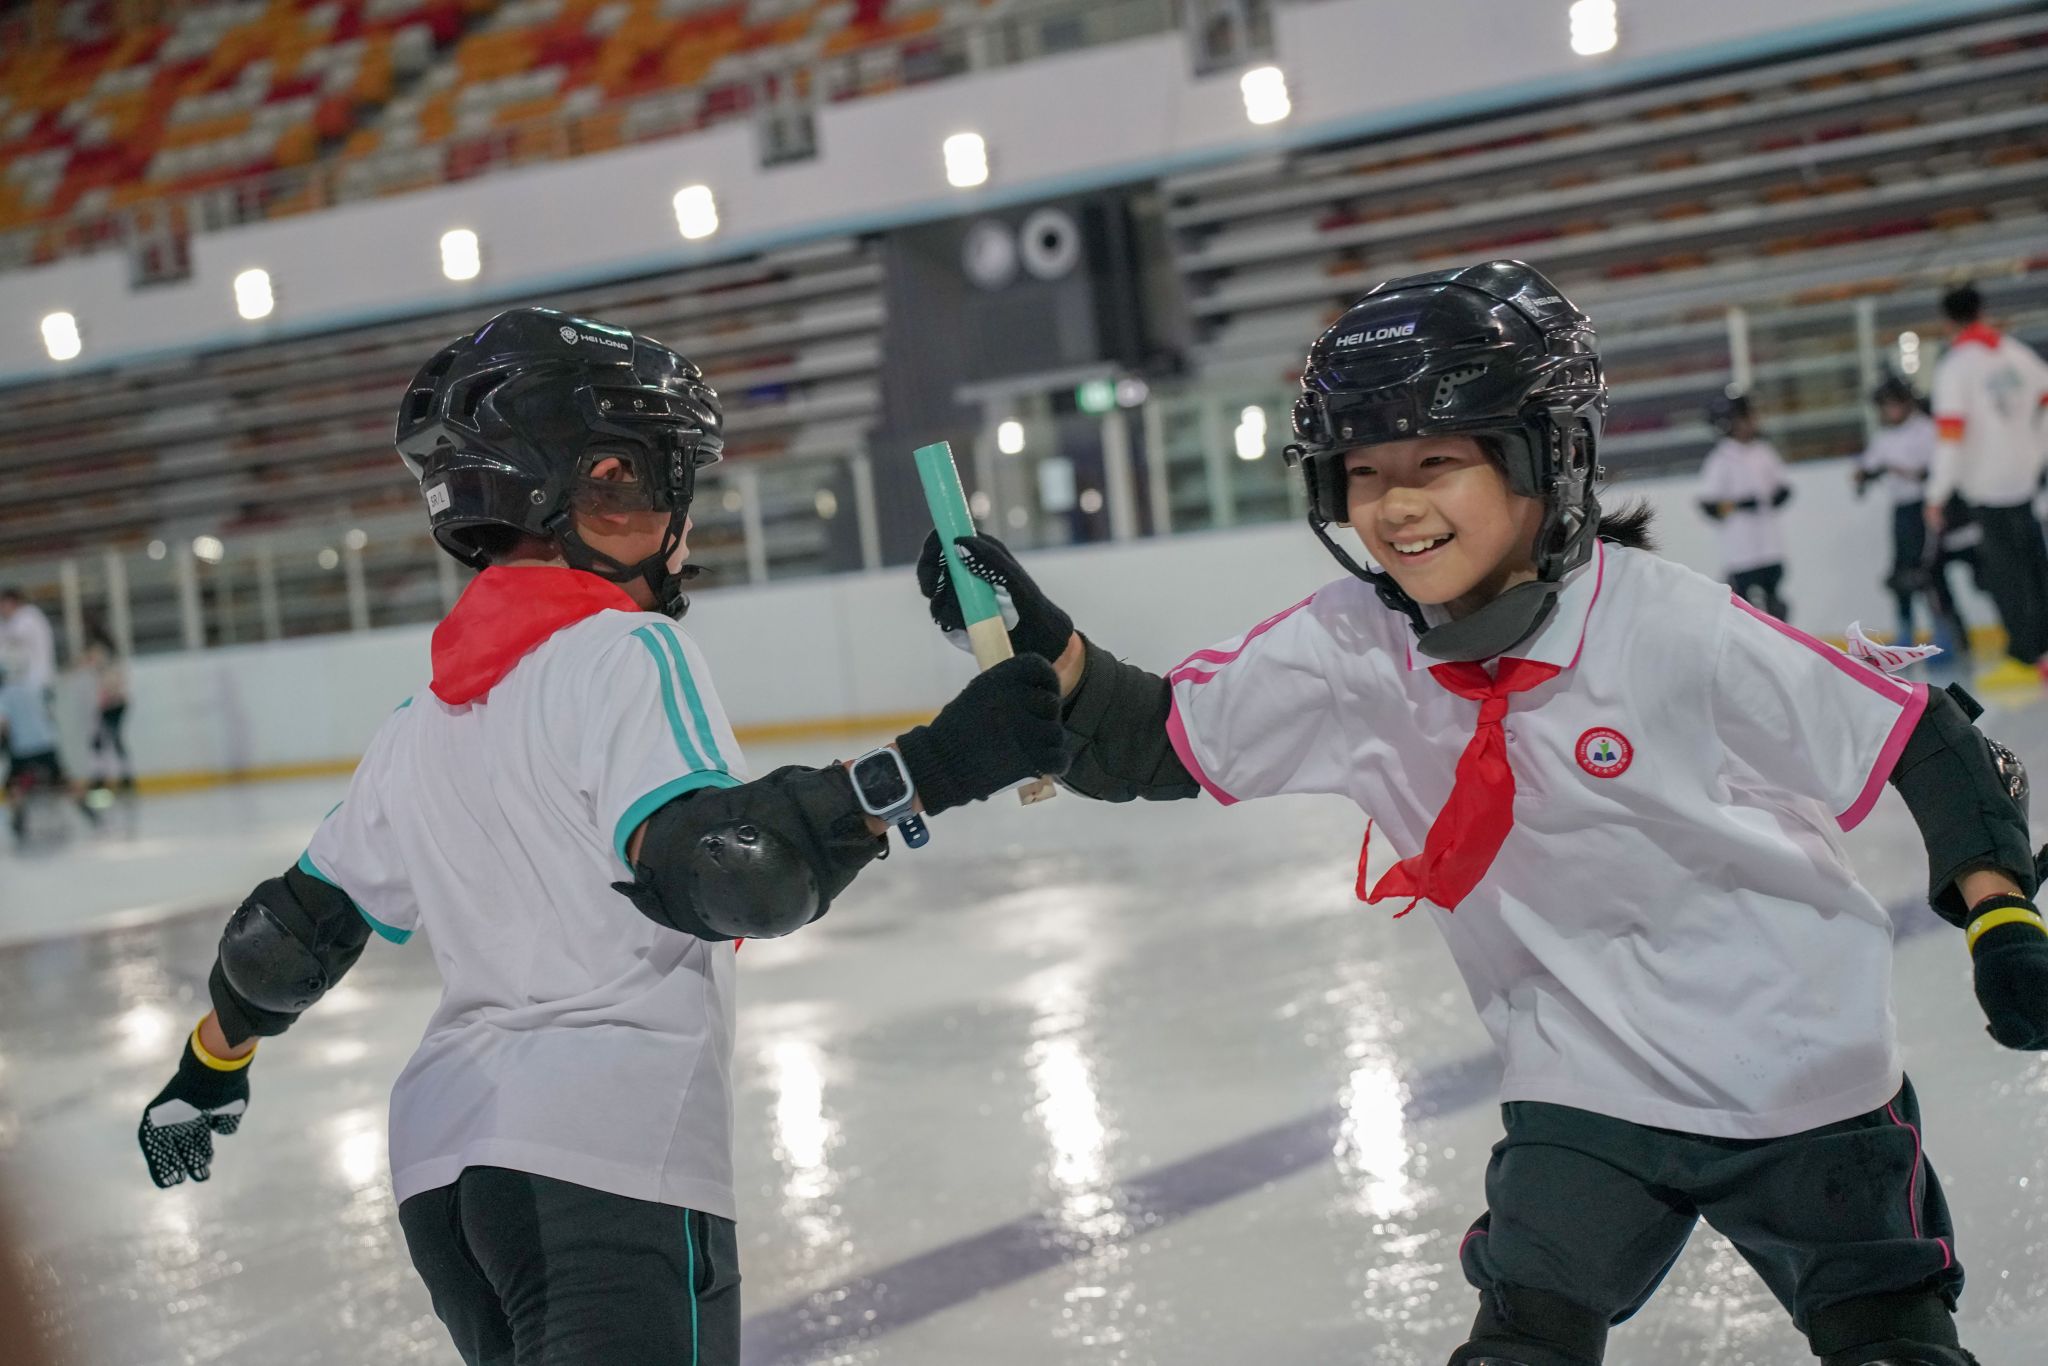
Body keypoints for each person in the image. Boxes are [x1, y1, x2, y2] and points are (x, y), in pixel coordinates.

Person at [914, 261, 2048, 1366]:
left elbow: (1923, 741)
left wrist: (2002, 921)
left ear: (1549, 459)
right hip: (1584, 1084)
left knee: (1888, 1343)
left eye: (1437, 461)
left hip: (1802, 1072)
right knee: (1522, 1340)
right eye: (1362, 471)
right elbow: (1156, 738)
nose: (1395, 505)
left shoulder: (1672, 628)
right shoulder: (1349, 647)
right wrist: (1039, 644)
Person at [134, 308, 1068, 1366]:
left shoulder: (421, 723)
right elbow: (735, 872)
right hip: (606, 1157)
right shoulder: (625, 654)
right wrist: (938, 764)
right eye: (668, 482)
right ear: (597, 484)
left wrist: (208, 1068)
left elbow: (288, 938)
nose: (683, 528)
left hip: (446, 1178)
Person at [1926, 283, 2048, 689]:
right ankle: (2043, 650)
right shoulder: (2016, 353)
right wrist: (2037, 452)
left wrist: (1937, 493)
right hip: (2024, 479)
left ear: (1948, 321)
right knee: (2036, 567)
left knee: (2005, 574)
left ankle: (2023, 655)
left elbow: (1950, 435)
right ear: (1981, 310)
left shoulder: (1956, 366)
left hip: (1987, 485)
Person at [1856, 375, 1965, 656]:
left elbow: (1938, 468)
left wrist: (1907, 472)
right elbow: (1867, 466)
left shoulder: (1925, 430)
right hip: (1901, 510)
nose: (1890, 411)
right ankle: (1905, 633)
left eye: (1894, 404)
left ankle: (1947, 635)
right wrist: (1863, 475)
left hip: (1926, 507)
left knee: (1929, 572)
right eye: (1885, 406)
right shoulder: (1884, 437)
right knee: (1901, 573)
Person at [1697, 392, 1793, 620]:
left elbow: (1783, 488)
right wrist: (1738, 505)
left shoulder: (1763, 451)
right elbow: (1709, 505)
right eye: (1746, 417)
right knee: (1744, 610)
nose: (1753, 422)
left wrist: (1771, 499)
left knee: (1775, 605)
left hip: (1769, 545)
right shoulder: (1721, 459)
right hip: (1741, 550)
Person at [80, 625, 133, 793]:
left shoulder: (102, 653)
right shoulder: (110, 655)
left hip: (111, 704)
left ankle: (105, 778)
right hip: (114, 703)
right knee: (108, 740)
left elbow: (109, 680)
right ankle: (117, 778)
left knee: (104, 741)